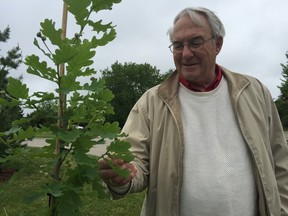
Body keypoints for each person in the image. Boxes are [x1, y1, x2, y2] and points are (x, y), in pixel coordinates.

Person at [99, 7, 288, 216]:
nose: (186, 53)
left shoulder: (254, 92)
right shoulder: (151, 102)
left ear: (218, 44)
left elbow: (280, 163)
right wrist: (121, 176)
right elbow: (134, 161)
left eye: (196, 42)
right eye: (178, 45)